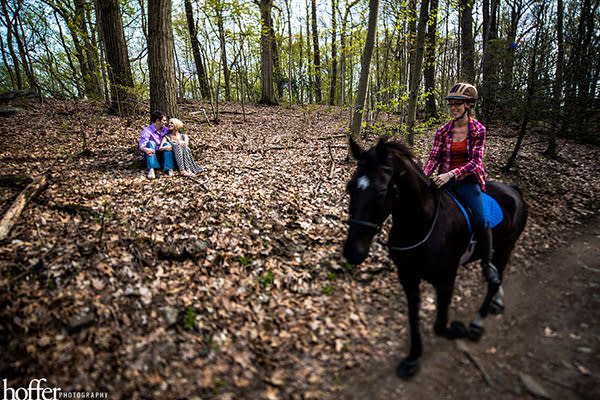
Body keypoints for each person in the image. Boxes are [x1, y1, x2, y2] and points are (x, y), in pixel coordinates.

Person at [423, 82, 501, 285]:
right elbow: (433, 158)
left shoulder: (478, 130)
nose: (453, 108)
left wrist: (450, 175)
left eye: (458, 104)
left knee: (480, 220)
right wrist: (424, 177)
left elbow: (476, 162)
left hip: (467, 182)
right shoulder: (442, 131)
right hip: (444, 180)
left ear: (468, 105)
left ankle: (487, 263)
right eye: (451, 104)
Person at [138, 111, 175, 178]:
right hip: (152, 153)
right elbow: (141, 145)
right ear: (158, 121)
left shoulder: (166, 130)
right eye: (164, 120)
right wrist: (145, 149)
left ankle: (169, 169)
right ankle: (151, 169)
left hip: (163, 154)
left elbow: (176, 134)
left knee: (166, 143)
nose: (166, 122)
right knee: (151, 143)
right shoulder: (147, 130)